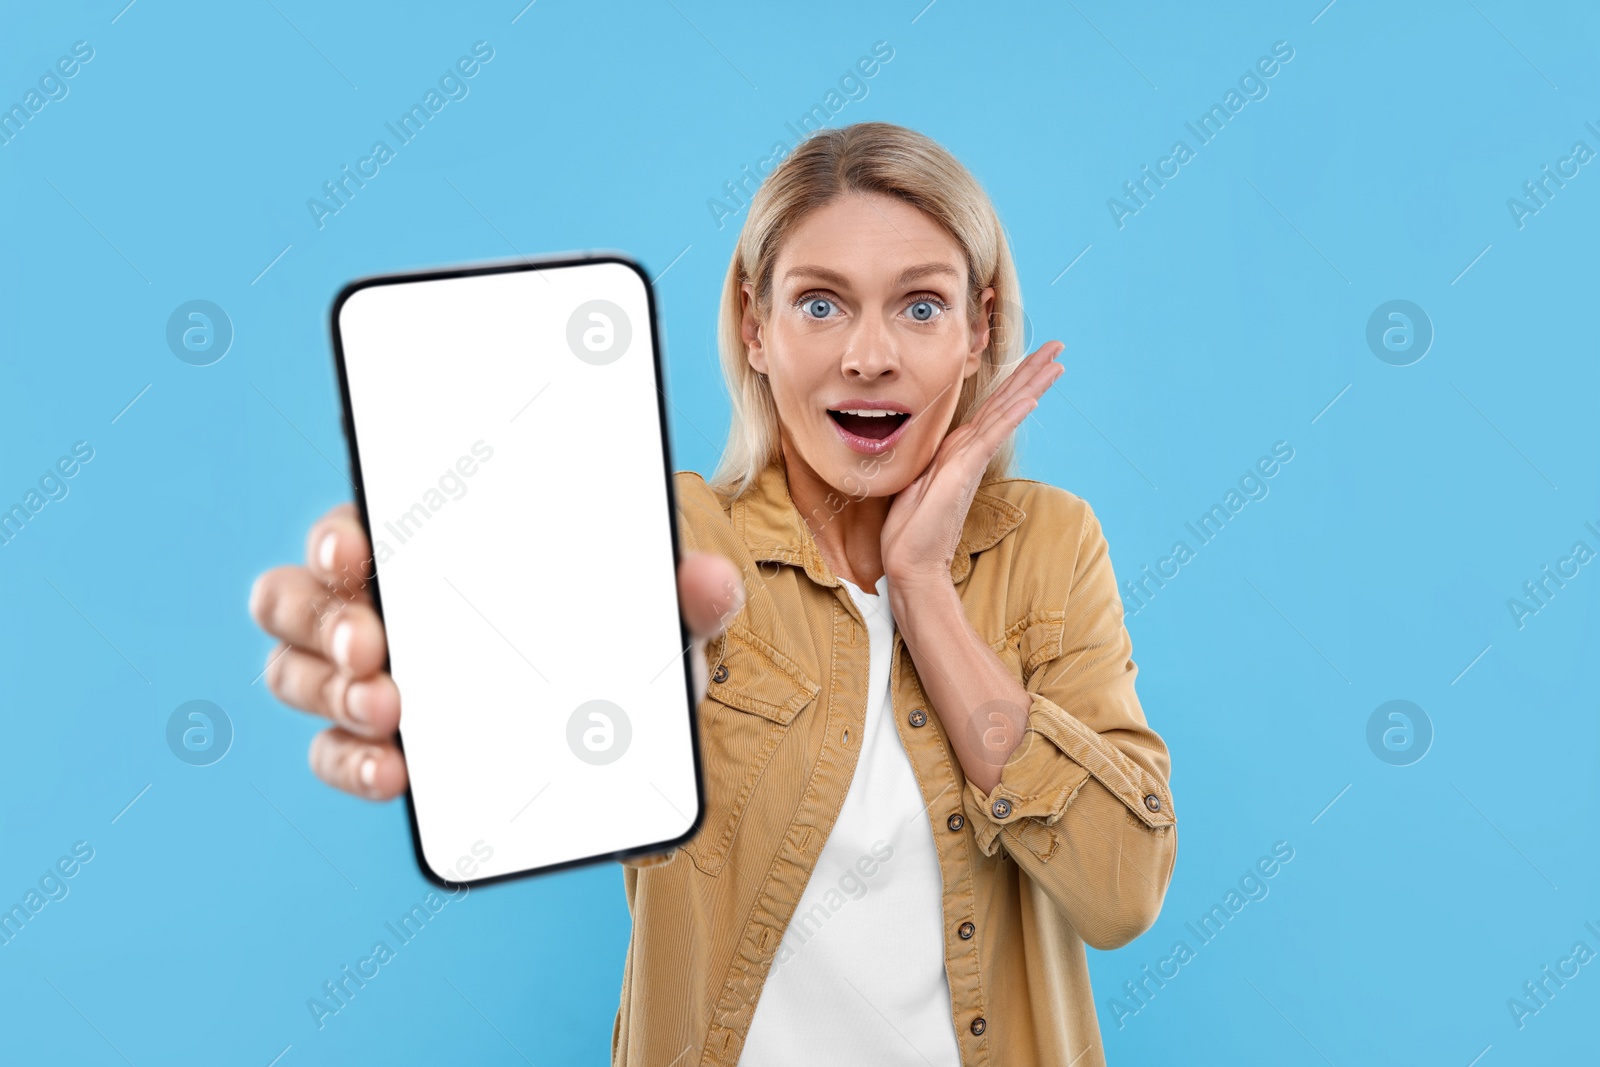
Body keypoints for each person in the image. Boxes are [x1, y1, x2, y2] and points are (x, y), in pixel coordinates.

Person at [249, 121, 1177, 1067]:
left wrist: (923, 583)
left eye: (921, 307)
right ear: (753, 326)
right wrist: (415, 632)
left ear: (979, 330)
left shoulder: (1050, 545)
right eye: (820, 304)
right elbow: (562, 663)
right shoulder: (682, 539)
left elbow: (1121, 888)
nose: (868, 355)